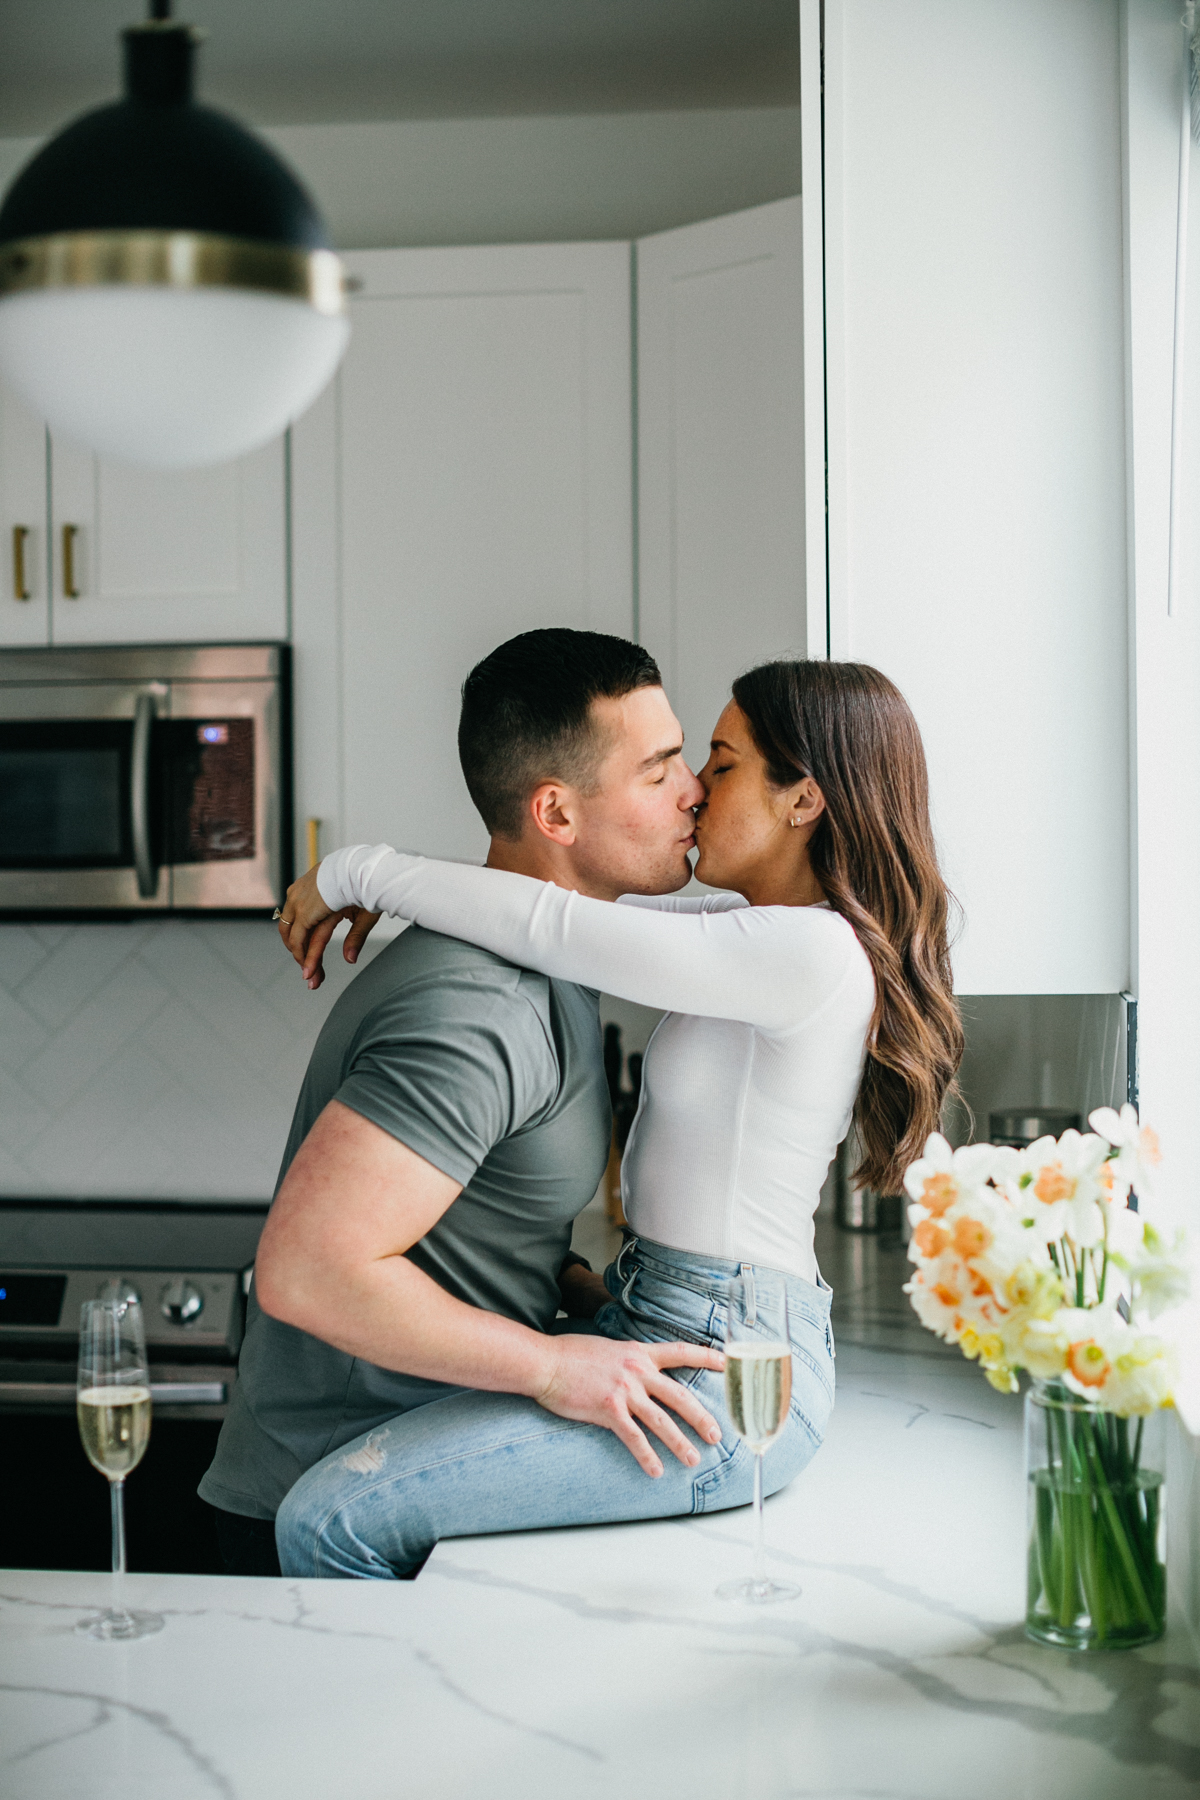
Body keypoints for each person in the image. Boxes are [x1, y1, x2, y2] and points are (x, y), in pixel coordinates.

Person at [275, 652, 964, 1580]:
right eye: (678, 767)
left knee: (328, 1519)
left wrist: (362, 869)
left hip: (733, 1369)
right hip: (670, 1318)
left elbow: (550, 926)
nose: (695, 793)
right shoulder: (757, 939)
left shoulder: (811, 951)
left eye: (718, 765)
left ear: (804, 799)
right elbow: (541, 918)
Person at [199, 629, 727, 1576]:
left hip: (418, 1470)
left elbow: (471, 1224)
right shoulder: (480, 1006)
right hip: (337, 1512)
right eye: (658, 771)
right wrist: (558, 1367)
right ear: (556, 813)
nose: (695, 789)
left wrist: (588, 1302)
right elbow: (309, 1272)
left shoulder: (557, 955)